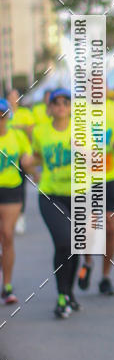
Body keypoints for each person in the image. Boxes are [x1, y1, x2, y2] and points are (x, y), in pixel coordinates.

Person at [78, 95, 114, 296]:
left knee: (111, 226)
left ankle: (105, 277)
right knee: (89, 228)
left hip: (110, 177)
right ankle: (88, 261)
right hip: (84, 178)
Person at [31, 88, 78, 318]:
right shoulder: (40, 132)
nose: (61, 106)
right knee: (63, 241)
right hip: (50, 194)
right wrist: (30, 168)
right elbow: (36, 155)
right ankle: (62, 296)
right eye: (56, 102)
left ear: (71, 107)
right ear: (49, 108)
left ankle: (70, 291)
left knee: (76, 245)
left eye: (65, 102)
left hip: (79, 194)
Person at [0, 99, 34, 304]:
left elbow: (28, 160)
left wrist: (37, 170)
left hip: (12, 189)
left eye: (3, 115)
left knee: (7, 234)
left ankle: (7, 286)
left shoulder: (17, 136)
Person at [6, 89, 35, 236]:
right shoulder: (4, 112)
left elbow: (30, 129)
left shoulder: (25, 113)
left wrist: (18, 128)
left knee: (21, 184)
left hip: (22, 153)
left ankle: (20, 215)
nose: (13, 99)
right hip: (7, 155)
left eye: (15, 97)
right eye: (10, 97)